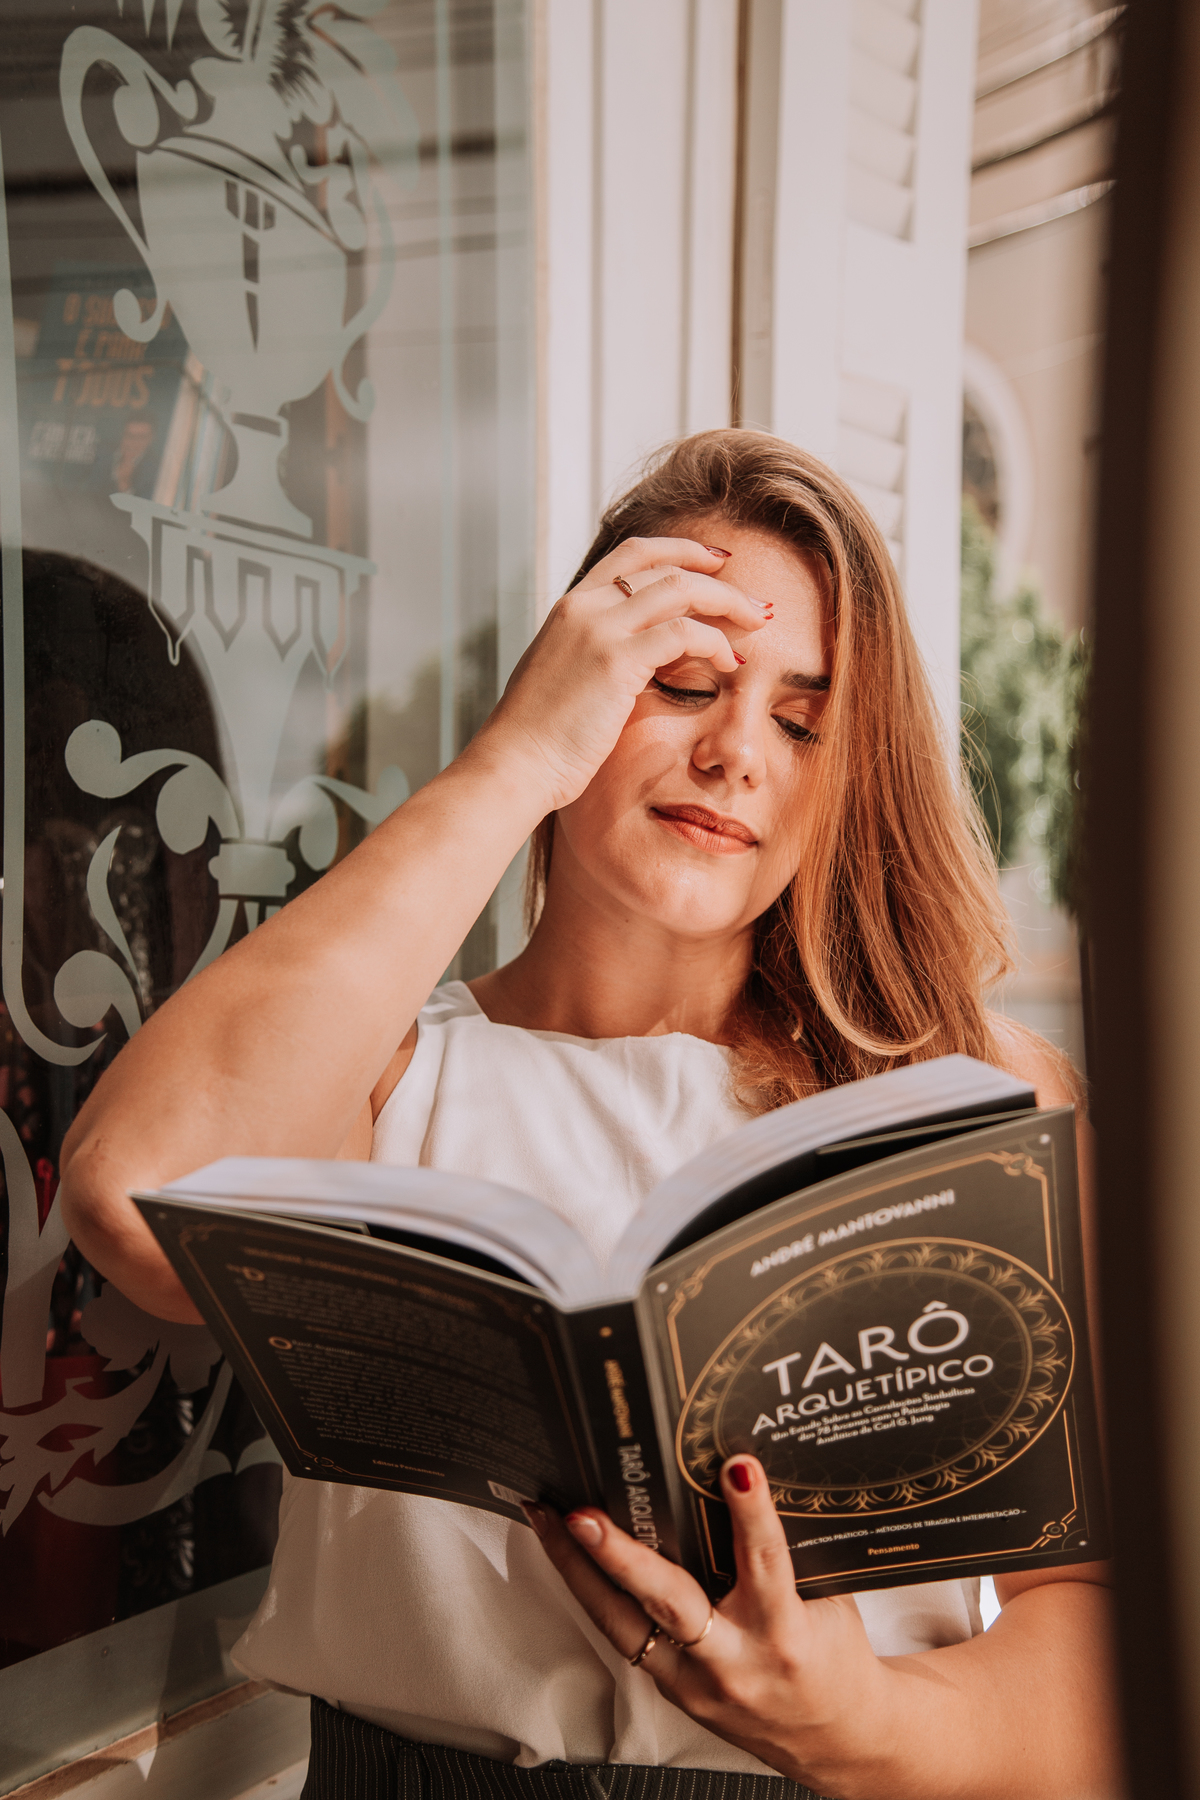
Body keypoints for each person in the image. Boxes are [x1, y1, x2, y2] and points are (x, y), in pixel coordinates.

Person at [61, 431, 1117, 1800]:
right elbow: (135, 1188)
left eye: (803, 719)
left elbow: (1103, 1658)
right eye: (680, 684)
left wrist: (851, 1717)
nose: (739, 750)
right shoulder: (387, 1077)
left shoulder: (974, 1106)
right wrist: (512, 765)